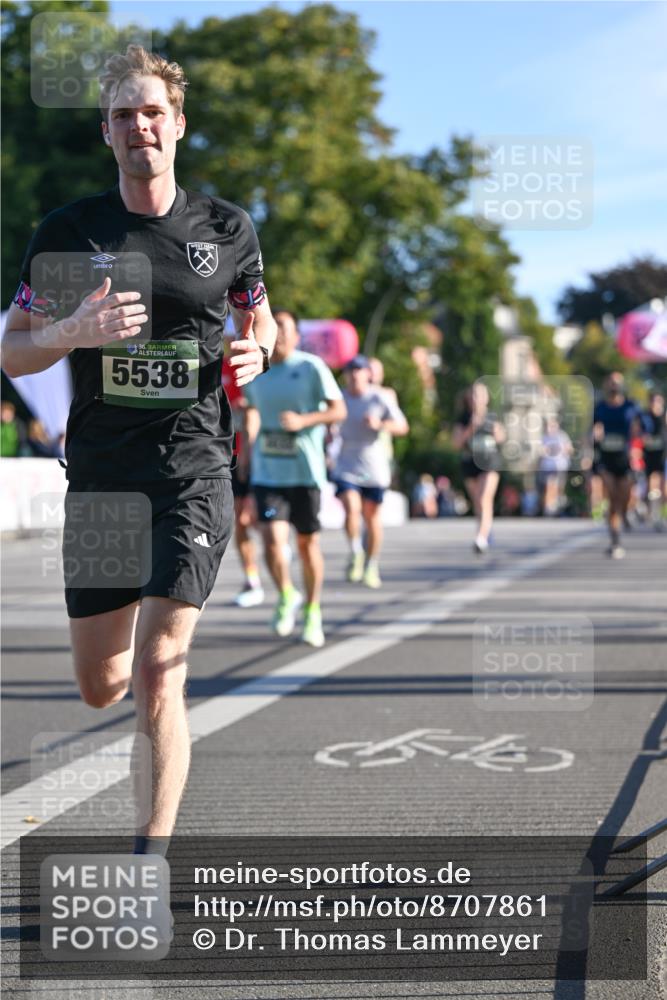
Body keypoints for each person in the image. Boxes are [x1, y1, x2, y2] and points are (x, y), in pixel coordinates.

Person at [0, 45, 277, 855]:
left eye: (152, 112)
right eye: (123, 114)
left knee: (160, 669)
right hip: (102, 480)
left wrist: (258, 348)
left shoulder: (225, 228)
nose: (139, 126)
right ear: (106, 132)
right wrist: (71, 330)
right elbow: (13, 349)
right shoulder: (69, 232)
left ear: (177, 125)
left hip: (193, 471)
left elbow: (259, 313)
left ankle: (147, 859)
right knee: (102, 687)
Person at [243, 309, 346, 647]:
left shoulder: (311, 367)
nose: (281, 335)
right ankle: (287, 594)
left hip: (305, 472)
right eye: (277, 328)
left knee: (306, 543)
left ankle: (313, 610)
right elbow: (252, 411)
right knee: (272, 540)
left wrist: (304, 421)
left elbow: (339, 410)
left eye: (286, 329)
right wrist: (246, 456)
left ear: (297, 336)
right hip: (268, 472)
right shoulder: (258, 369)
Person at [333, 355, 409, 587]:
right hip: (347, 462)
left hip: (373, 465)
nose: (354, 376)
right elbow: (328, 419)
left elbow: (402, 426)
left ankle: (371, 564)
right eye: (350, 372)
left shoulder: (379, 397)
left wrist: (380, 425)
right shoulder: (339, 397)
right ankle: (356, 551)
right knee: (351, 507)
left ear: (368, 374)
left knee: (372, 516)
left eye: (359, 371)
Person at [222, 353, 265, 607]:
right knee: (240, 519)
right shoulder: (215, 365)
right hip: (223, 455)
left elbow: (255, 414)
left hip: (253, 455)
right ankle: (252, 579)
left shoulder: (252, 366)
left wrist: (248, 455)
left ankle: (275, 542)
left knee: (257, 519)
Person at [592, 372, 642, 558]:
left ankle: (627, 512)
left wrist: (637, 442)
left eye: (617, 382)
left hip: (626, 459)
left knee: (625, 497)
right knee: (613, 498)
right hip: (607, 459)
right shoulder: (600, 408)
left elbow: (642, 428)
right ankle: (615, 541)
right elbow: (591, 430)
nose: (614, 386)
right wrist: (594, 434)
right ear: (607, 385)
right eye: (611, 382)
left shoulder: (631, 406)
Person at [452, 382, 505, 554]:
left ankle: (480, 538)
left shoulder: (493, 416)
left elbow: (501, 437)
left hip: (489, 462)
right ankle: (485, 530)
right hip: (470, 462)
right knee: (477, 502)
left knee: (484, 499)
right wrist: (470, 428)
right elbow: (456, 443)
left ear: (487, 398)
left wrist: (495, 430)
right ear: (469, 398)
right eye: (474, 395)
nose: (476, 399)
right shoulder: (463, 418)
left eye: (480, 395)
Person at [641, 391, 667, 531]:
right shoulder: (645, 417)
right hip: (650, 456)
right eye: (653, 401)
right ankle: (654, 514)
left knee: (664, 488)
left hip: (663, 456)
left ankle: (661, 515)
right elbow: (638, 432)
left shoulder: (664, 417)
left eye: (658, 401)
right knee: (652, 484)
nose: (656, 404)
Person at [538, 415, 573, 516]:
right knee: (550, 484)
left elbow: (570, 449)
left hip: (560, 466)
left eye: (553, 426)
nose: (551, 428)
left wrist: (565, 450)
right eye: (549, 426)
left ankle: (556, 505)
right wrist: (544, 451)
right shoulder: (544, 437)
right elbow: (540, 451)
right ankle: (549, 508)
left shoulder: (562, 436)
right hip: (548, 466)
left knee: (559, 487)